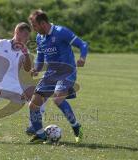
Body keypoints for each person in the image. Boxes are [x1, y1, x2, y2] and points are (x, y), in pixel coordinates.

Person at [27, 10, 89, 143]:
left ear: (43, 23)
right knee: (33, 105)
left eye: (34, 25)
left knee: (57, 98)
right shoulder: (39, 37)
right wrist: (36, 69)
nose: (33, 28)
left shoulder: (61, 32)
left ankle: (76, 127)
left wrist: (82, 58)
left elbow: (83, 44)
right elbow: (41, 57)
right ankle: (40, 134)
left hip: (67, 71)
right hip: (51, 73)